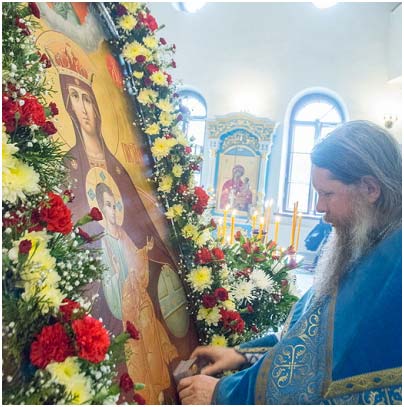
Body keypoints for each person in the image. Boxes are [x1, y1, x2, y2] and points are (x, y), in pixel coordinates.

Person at [178, 120, 402, 404]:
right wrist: (242, 354)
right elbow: (308, 334)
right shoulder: (372, 241)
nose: (319, 207)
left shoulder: (391, 264)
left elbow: (317, 374)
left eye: (327, 194)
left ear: (370, 189)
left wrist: (224, 393)